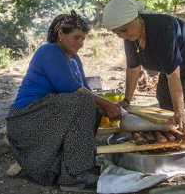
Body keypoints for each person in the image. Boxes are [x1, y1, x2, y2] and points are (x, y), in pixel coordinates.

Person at [102, 0, 185, 156]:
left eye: (123, 30)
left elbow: (174, 76)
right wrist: (127, 100)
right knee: (164, 99)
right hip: (171, 68)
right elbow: (133, 69)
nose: (123, 35)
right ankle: (174, 138)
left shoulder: (163, 29)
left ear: (136, 18)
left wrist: (181, 111)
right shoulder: (130, 37)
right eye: (117, 33)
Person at [6, 10, 122, 192]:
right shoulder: (50, 51)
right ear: (60, 33)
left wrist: (105, 107)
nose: (80, 43)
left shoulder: (74, 59)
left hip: (47, 117)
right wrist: (107, 105)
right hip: (26, 120)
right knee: (83, 101)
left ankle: (74, 166)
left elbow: (87, 91)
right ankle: (75, 178)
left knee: (92, 106)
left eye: (83, 39)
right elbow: (71, 88)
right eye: (76, 37)